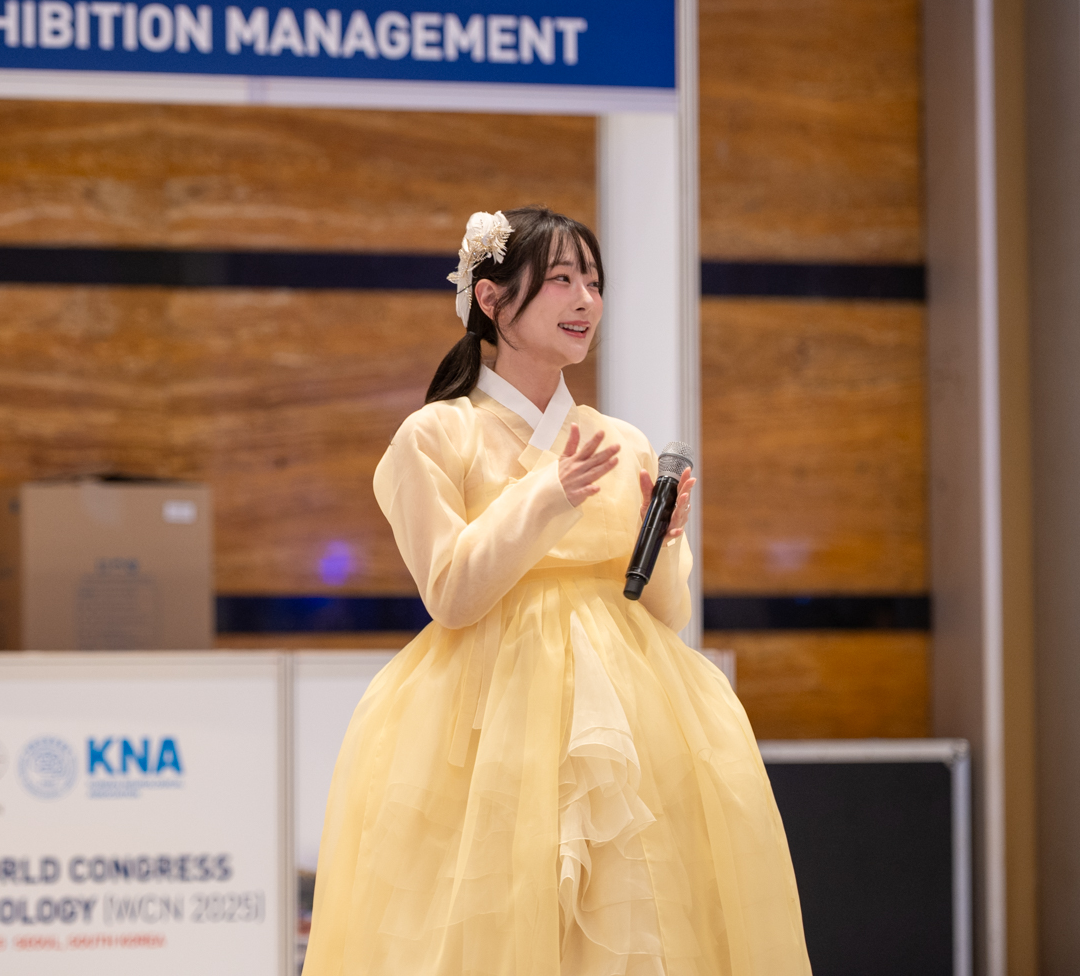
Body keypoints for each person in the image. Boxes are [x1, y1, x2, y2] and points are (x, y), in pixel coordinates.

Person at [301, 207, 811, 976]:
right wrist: (549, 494)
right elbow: (451, 593)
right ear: (492, 299)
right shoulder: (435, 435)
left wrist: (668, 539)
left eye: (594, 283)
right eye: (562, 280)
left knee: (630, 924)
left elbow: (665, 611)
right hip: (487, 720)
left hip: (629, 719)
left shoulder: (624, 441)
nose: (585, 301)